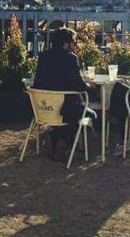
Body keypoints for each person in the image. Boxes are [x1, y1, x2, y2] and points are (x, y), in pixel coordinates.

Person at [32, 27, 101, 155]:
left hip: (43, 110)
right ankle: (65, 140)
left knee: (70, 111)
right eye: (74, 42)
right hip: (64, 110)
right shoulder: (70, 58)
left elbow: (38, 82)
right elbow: (79, 86)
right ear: (66, 43)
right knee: (92, 115)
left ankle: (55, 137)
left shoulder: (43, 57)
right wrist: (89, 86)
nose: (75, 45)